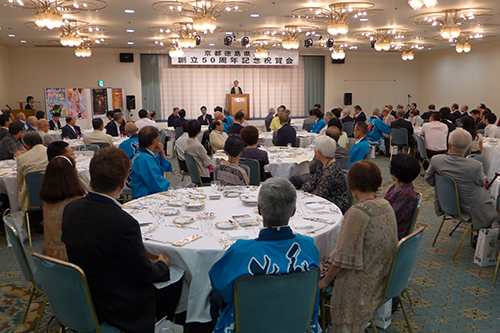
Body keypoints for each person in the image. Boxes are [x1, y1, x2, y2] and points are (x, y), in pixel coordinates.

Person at [62, 147, 181, 333]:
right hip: (117, 305)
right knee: (176, 277)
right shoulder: (124, 223)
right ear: (124, 182)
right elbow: (143, 273)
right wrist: (162, 265)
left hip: (84, 293)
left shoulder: (71, 208)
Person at [209, 177, 321, 333]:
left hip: (248, 325)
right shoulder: (308, 247)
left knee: (214, 296)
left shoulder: (240, 251)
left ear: (259, 209)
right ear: (294, 211)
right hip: (298, 322)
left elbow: (220, 285)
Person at [319, 160, 398, 333]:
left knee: (314, 268)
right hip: (384, 275)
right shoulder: (385, 205)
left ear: (352, 184)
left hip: (364, 283)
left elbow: (340, 258)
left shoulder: (357, 213)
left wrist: (323, 281)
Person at [425, 129, 498, 230]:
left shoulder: (436, 160)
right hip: (469, 208)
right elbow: (482, 183)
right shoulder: (475, 165)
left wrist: (444, 187)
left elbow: (428, 178)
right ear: (468, 147)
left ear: (449, 145)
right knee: (495, 202)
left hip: (447, 203)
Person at [39, 155, 85, 261]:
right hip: (70, 260)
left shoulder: (47, 203)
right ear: (73, 174)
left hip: (48, 260)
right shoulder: (75, 203)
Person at [302, 136, 350, 213]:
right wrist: (302, 192)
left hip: (334, 207)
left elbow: (320, 194)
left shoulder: (331, 170)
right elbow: (312, 182)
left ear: (319, 153)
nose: (314, 151)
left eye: (315, 149)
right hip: (323, 201)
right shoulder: (322, 164)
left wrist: (304, 197)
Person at [384, 154, 420, 239]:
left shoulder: (405, 195)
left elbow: (390, 219)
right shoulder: (399, 187)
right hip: (388, 227)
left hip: (392, 234)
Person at [130, 126, 172, 198]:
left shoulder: (144, 153)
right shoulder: (145, 158)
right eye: (158, 137)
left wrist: (161, 152)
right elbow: (157, 185)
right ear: (154, 141)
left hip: (147, 191)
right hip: (146, 195)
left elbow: (165, 166)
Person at [16, 131, 48, 212]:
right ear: (42, 140)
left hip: (31, 197)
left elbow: (19, 181)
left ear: (27, 146)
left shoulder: (22, 158)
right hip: (53, 194)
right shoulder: (52, 152)